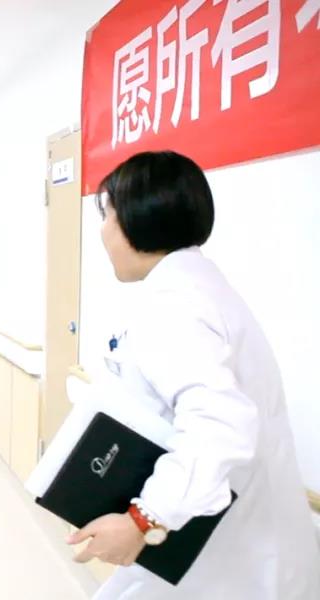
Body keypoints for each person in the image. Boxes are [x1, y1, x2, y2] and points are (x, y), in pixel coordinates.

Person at [67, 151, 320, 599]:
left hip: (231, 555)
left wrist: (141, 521)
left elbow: (220, 427)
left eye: (106, 215)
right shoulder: (196, 287)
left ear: (137, 217)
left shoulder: (175, 305)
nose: (103, 231)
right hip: (235, 542)